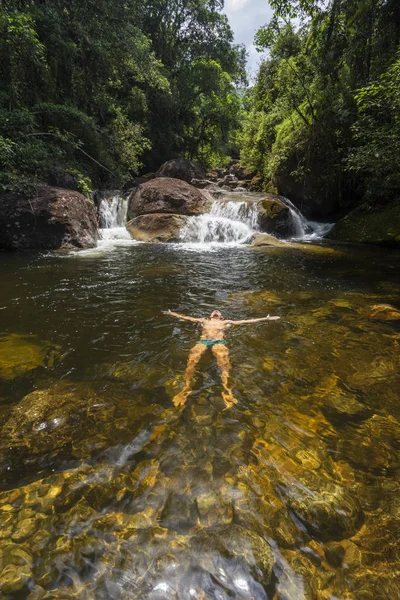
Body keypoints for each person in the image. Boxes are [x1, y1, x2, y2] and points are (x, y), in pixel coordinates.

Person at [163, 309, 280, 409]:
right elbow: (187, 318)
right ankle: (185, 389)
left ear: (221, 316)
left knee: (225, 366)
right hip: (202, 341)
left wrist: (265, 319)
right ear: (210, 315)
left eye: (218, 312)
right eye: (214, 311)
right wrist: (171, 313)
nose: (216, 311)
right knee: (191, 364)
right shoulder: (203, 320)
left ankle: (227, 391)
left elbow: (245, 321)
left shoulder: (226, 322)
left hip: (219, 342)